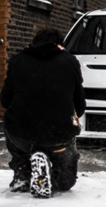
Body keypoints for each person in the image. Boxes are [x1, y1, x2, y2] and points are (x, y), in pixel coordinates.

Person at [0, 29, 86, 198]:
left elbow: (4, 101)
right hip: (59, 134)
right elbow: (80, 103)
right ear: (60, 44)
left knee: (11, 123)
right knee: (65, 185)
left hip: (22, 135)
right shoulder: (69, 61)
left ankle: (22, 173)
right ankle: (57, 175)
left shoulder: (18, 60)